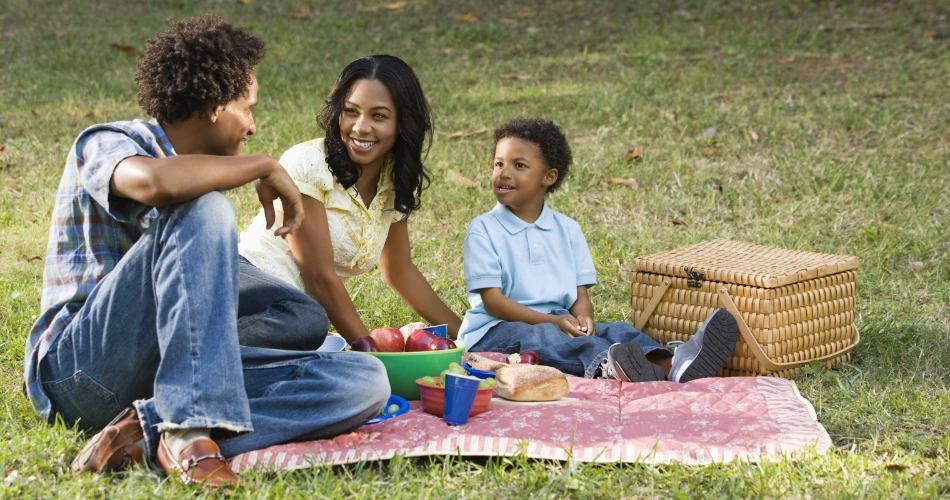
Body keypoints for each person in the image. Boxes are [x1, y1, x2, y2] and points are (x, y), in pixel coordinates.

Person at [24, 14, 389, 488]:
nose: (253, 126)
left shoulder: (202, 182)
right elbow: (153, 183)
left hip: (159, 381)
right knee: (206, 206)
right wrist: (262, 166)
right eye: (248, 108)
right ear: (216, 105)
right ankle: (189, 429)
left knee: (358, 376)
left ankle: (146, 430)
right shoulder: (106, 142)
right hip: (81, 375)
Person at [458, 117, 739, 382]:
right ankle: (609, 367)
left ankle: (672, 364)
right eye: (498, 164)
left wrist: (584, 318)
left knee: (615, 330)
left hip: (558, 321)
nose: (503, 173)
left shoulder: (567, 230)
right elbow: (494, 303)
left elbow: (580, 296)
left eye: (519, 165)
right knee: (552, 338)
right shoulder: (484, 229)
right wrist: (554, 320)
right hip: (495, 331)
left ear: (549, 177)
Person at [239, 55, 462, 344]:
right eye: (351, 112)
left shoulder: (394, 180)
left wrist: (467, 337)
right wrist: (371, 351)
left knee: (313, 334)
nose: (360, 127)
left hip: (294, 320)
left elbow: (400, 271)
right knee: (311, 323)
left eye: (378, 116)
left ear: (403, 123)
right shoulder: (309, 164)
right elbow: (319, 277)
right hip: (250, 289)